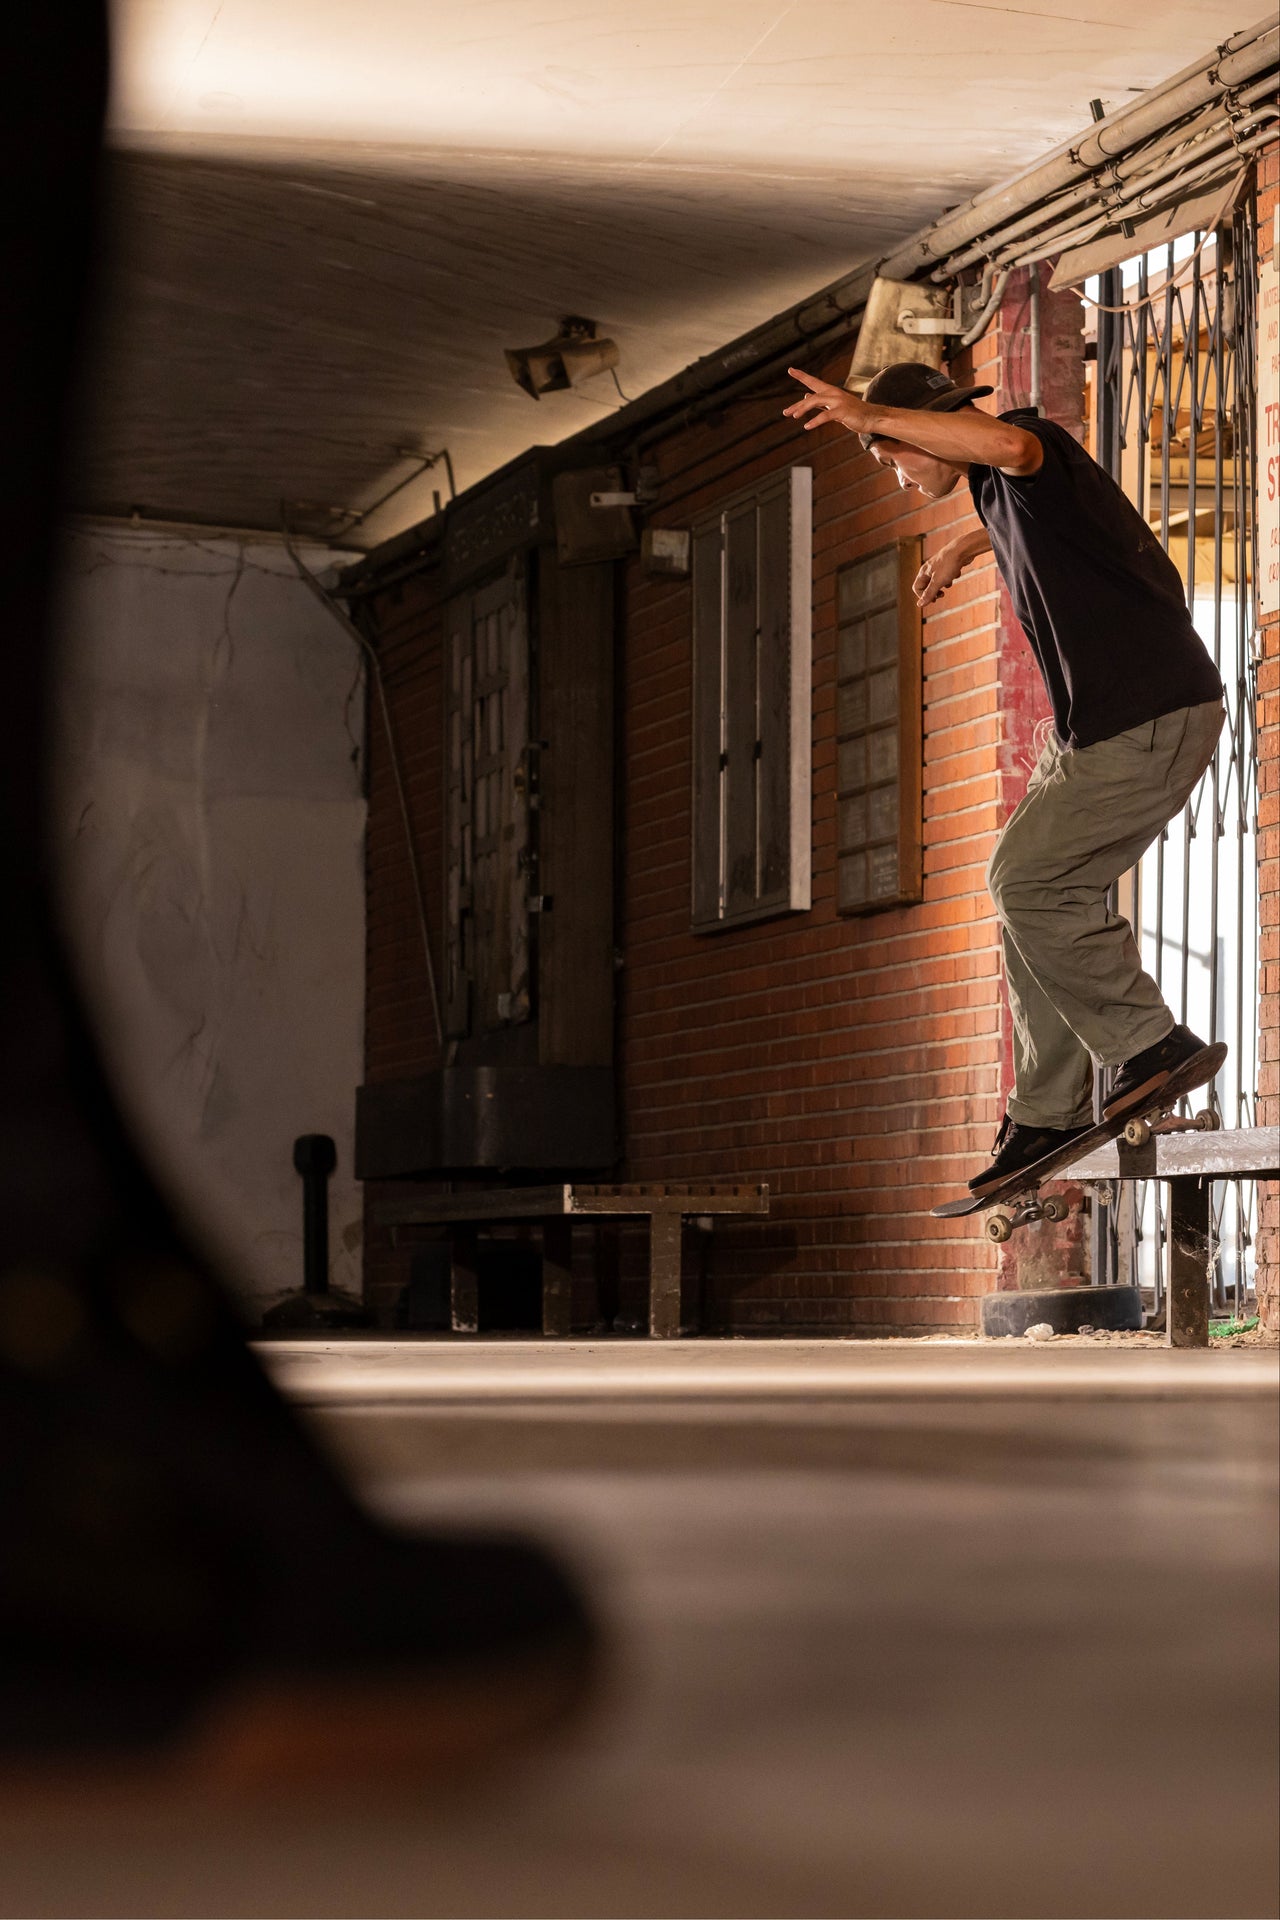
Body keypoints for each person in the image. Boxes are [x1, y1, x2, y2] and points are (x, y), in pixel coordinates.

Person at [783, 359, 1225, 1196]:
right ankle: (1046, 1111)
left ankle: (1149, 1044)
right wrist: (962, 538)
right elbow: (1027, 504)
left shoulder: (1026, 447)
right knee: (1024, 894)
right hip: (1096, 726)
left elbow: (1006, 446)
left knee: (1025, 883)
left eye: (898, 459)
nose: (904, 479)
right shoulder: (1002, 490)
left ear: (928, 430)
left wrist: (863, 413)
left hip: (1150, 713)